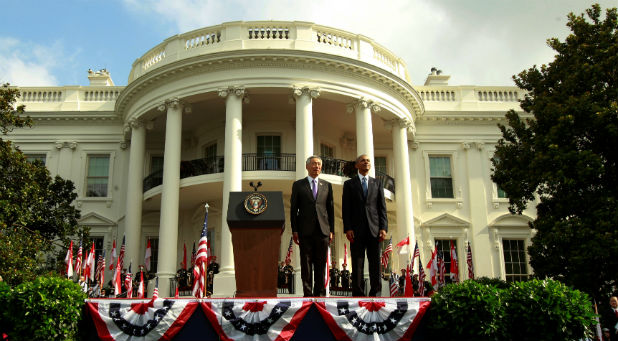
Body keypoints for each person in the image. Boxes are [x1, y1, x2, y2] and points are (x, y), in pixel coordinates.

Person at [342, 154, 388, 297]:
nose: (366, 162)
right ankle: (358, 293)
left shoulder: (377, 183)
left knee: (375, 263)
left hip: (374, 230)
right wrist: (348, 228)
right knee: (357, 263)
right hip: (356, 230)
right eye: (363, 160)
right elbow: (346, 208)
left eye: (368, 161)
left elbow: (382, 208)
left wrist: (383, 227)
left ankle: (376, 292)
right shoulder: (349, 184)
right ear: (357, 165)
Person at [290, 155, 335, 297]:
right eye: (314, 164)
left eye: (319, 164)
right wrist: (295, 230)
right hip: (305, 231)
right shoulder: (298, 185)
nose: (317, 166)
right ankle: (308, 294)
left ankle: (320, 294)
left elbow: (331, 209)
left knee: (321, 264)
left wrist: (332, 230)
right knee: (306, 264)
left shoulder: (327, 185)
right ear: (307, 166)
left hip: (323, 231)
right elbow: (293, 210)